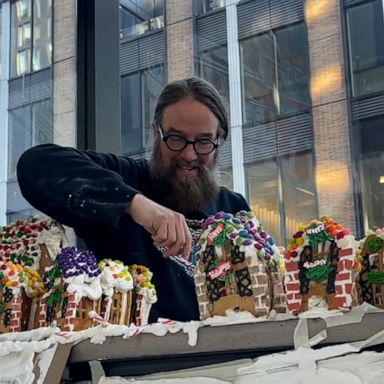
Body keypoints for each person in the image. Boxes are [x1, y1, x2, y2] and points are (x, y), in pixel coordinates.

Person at [17, 77, 251, 322]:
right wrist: (135, 204)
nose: (189, 154)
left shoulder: (234, 210)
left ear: (218, 141)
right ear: (156, 132)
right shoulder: (126, 178)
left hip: (231, 355)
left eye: (203, 141)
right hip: (137, 357)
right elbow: (35, 165)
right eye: (176, 139)